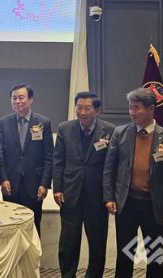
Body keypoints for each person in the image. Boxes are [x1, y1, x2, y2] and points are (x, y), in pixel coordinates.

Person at [103, 88, 163, 278]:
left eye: (136, 108)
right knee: (125, 252)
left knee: (155, 254)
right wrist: (109, 197)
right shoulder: (120, 133)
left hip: (155, 206)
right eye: (130, 107)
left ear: (151, 108)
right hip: (127, 203)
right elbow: (109, 169)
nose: (132, 112)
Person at [53, 92, 116, 278]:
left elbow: (111, 166)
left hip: (97, 196)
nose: (82, 112)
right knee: (68, 243)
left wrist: (109, 195)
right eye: (79, 107)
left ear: (97, 110)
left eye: (87, 108)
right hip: (70, 193)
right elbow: (58, 161)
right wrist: (57, 188)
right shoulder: (65, 128)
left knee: (97, 243)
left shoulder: (109, 130)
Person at [0, 84, 53, 234]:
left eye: (21, 97)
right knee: (9, 226)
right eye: (14, 98)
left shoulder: (43, 123)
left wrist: (45, 183)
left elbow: (49, 156)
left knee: (33, 225)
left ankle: (33, 251)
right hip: (10, 184)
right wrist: (3, 179)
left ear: (30, 99)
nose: (17, 101)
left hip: (34, 185)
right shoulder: (3, 123)